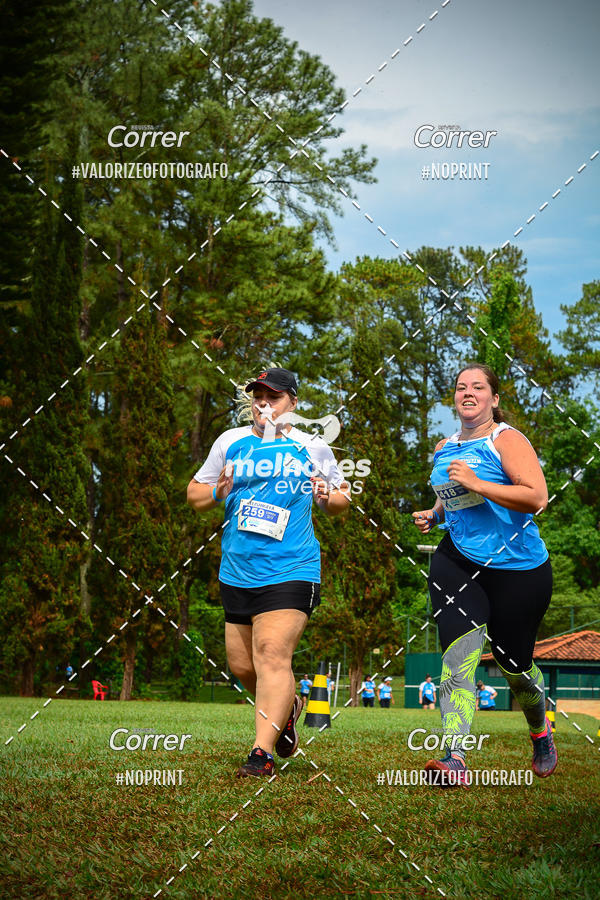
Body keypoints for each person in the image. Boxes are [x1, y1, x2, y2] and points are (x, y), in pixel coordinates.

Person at [187, 368, 350, 777]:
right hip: (237, 570)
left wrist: (327, 496)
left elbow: (341, 499)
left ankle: (261, 754)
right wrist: (218, 490)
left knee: (272, 653)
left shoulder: (312, 446)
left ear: (292, 402)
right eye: (257, 396)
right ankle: (288, 706)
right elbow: (195, 494)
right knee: (244, 667)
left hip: (292, 567)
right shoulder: (230, 441)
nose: (263, 403)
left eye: (273, 397)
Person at [412, 363, 557, 788]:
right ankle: (454, 756)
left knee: (515, 667)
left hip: (518, 570)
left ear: (494, 399)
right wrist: (435, 514)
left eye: (478, 387)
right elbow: (453, 498)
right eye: (461, 387)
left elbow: (537, 497)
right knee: (458, 656)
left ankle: (539, 729)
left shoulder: (506, 440)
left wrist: (478, 483)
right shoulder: (445, 447)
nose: (468, 393)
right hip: (458, 561)